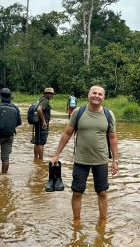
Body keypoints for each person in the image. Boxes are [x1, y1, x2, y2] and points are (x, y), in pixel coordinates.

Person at [50, 85, 119, 221]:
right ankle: (76, 223)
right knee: (77, 192)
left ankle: (103, 223)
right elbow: (67, 133)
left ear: (103, 97)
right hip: (81, 160)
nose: (97, 96)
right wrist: (56, 154)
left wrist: (115, 160)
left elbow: (113, 138)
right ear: (88, 95)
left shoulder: (108, 114)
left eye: (100, 94)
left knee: (102, 192)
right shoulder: (78, 112)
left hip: (101, 160)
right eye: (94, 93)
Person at [33, 87, 55, 160]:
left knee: (37, 142)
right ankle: (40, 160)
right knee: (41, 143)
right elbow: (39, 109)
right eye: (51, 94)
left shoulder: (41, 99)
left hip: (38, 124)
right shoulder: (45, 100)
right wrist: (44, 121)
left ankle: (36, 159)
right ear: (47, 94)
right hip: (42, 125)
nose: (52, 95)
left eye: (52, 94)